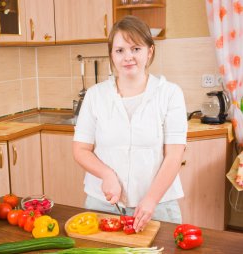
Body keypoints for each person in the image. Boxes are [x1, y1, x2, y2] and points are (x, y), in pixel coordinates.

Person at [72, 15, 187, 233]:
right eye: (120, 50)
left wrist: (151, 200)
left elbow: (174, 155)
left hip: (158, 205)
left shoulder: (170, 93)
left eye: (136, 49)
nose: (128, 57)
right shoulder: (96, 95)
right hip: (103, 203)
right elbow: (80, 149)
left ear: (149, 51)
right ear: (111, 55)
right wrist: (106, 174)